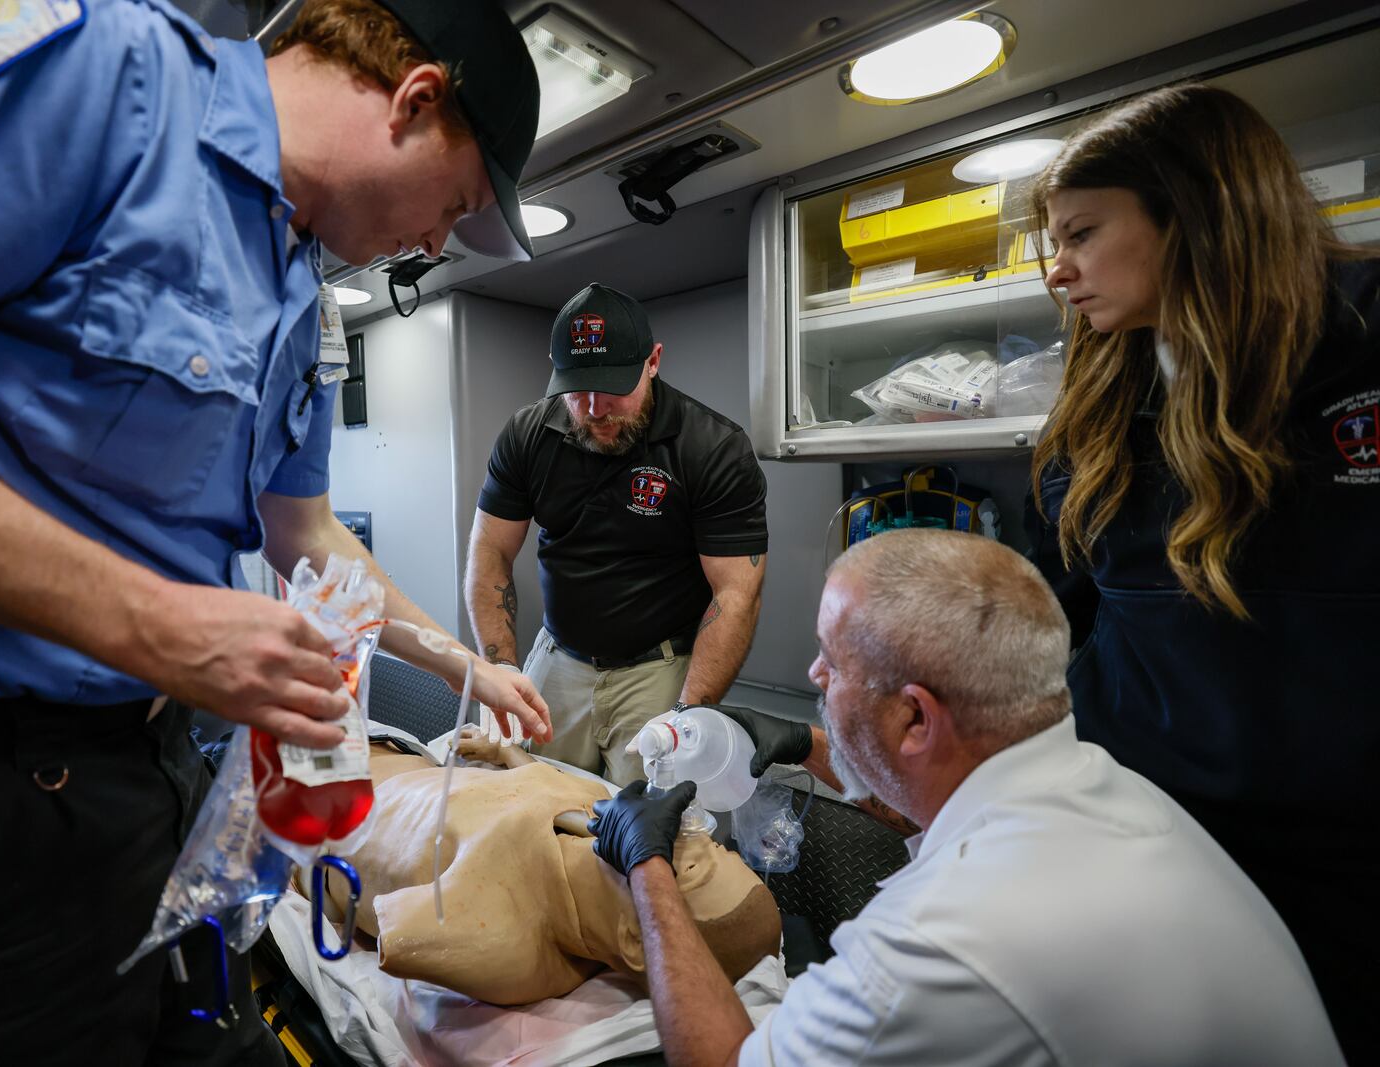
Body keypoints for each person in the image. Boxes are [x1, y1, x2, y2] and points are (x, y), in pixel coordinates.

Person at [0, 1, 549, 1061]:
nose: (430, 242)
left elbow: (307, 531)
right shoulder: (103, 81)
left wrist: (461, 661)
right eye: (451, 207)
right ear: (415, 101)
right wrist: (156, 623)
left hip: (136, 779)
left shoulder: (295, 288)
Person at [588, 529, 1343, 1067]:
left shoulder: (938, 941)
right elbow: (936, 799)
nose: (814, 675)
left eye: (832, 661)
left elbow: (723, 1059)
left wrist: (647, 862)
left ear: (916, 715)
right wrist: (811, 746)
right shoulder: (1107, 785)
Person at [1023, 83, 1379, 1061]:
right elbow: (1050, 614)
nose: (1060, 271)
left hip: (1344, 871)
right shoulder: (1100, 398)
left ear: (1195, 209)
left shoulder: (1362, 342)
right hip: (1143, 848)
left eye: (1082, 233)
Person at [467, 282, 769, 783]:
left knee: (644, 826)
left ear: (653, 361)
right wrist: (501, 667)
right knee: (538, 801)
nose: (594, 408)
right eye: (576, 388)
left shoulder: (712, 448)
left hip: (657, 668)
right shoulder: (526, 435)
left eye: (612, 387)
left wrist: (686, 718)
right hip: (557, 660)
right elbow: (491, 550)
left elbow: (737, 592)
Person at [310, 730, 780, 1005]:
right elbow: (541, 781)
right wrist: (506, 755)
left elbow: (396, 932)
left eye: (689, 865)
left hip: (310, 793)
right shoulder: (613, 822)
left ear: (638, 941)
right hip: (390, 748)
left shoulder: (515, 941)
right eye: (707, 844)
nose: (683, 836)